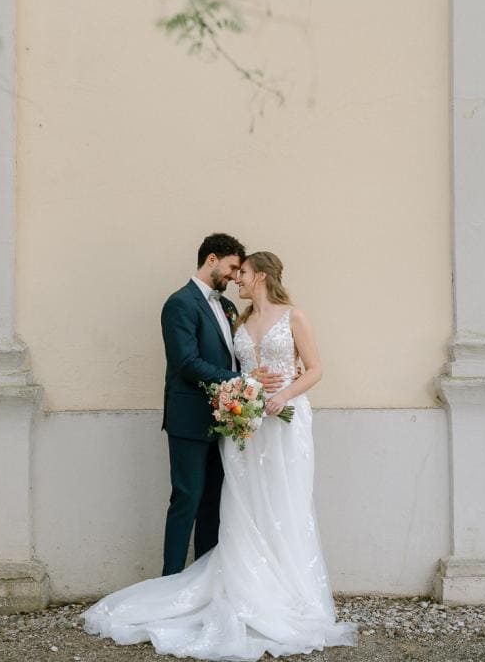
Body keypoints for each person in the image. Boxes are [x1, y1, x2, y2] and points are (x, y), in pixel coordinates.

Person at [83, 250, 357, 660]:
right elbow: (217, 364)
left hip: (284, 422)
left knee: (284, 502)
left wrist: (282, 394)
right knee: (241, 505)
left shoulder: (293, 316)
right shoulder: (239, 319)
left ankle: (286, 592)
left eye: (243, 272)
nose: (236, 279)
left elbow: (315, 369)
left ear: (261, 276)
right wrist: (243, 391)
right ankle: (224, 586)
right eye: (234, 270)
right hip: (245, 425)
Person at [159, 233, 283, 576]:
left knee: (214, 503)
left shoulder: (229, 308)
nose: (233, 276)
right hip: (189, 419)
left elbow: (236, 358)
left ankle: (204, 580)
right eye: (231, 268)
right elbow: (186, 363)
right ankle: (169, 581)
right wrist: (238, 382)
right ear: (211, 259)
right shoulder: (179, 304)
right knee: (187, 498)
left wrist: (263, 377)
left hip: (227, 419)